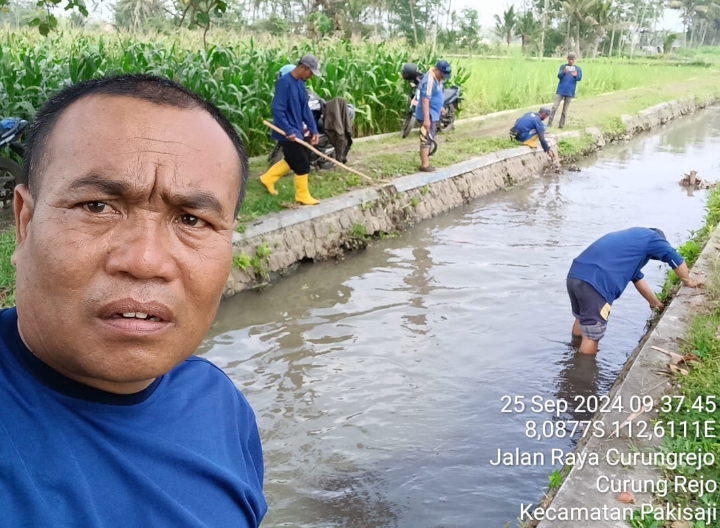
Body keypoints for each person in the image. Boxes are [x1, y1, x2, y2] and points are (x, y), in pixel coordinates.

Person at [0, 74, 267, 526]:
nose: (145, 261)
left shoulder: (220, 404)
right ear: (25, 222)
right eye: (97, 206)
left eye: (191, 219)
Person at [567, 227, 703, 355]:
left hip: (575, 275)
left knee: (582, 319)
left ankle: (573, 352)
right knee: (592, 336)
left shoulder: (632, 242)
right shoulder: (653, 237)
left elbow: (638, 279)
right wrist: (688, 281)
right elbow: (675, 258)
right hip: (596, 283)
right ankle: (583, 368)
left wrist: (654, 302)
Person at [260, 54, 322, 206]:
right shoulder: (284, 83)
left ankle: (268, 178)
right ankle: (302, 195)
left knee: (291, 159)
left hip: (297, 129)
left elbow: (305, 109)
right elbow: (278, 109)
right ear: (302, 67)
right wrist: (289, 131)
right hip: (285, 131)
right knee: (302, 163)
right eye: (310, 73)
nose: (311, 76)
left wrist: (314, 130)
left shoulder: (300, 83)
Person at [417, 59, 452, 173]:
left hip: (434, 113)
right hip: (428, 114)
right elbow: (425, 101)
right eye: (442, 75)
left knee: (429, 137)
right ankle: (424, 165)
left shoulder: (438, 79)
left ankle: (426, 162)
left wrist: (440, 107)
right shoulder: (429, 80)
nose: (443, 77)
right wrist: (427, 120)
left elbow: (436, 95)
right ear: (436, 70)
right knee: (426, 139)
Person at [548, 52, 582, 129]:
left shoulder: (578, 69)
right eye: (569, 59)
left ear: (575, 59)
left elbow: (579, 78)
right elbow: (559, 76)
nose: (571, 61)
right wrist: (564, 72)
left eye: (572, 59)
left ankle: (561, 125)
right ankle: (549, 123)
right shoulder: (563, 67)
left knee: (565, 110)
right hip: (560, 90)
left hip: (570, 91)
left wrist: (576, 75)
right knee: (554, 107)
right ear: (567, 59)